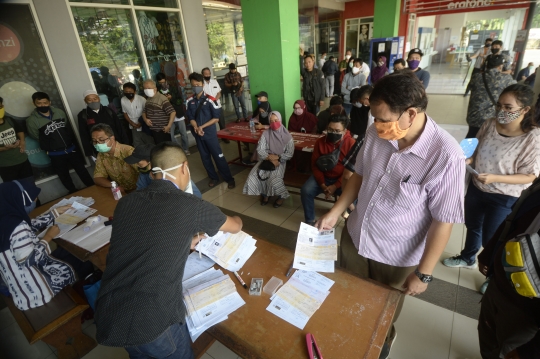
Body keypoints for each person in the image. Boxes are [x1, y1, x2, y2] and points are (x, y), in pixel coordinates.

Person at [316, 72, 465, 359]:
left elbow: (443, 221)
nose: (376, 125)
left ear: (411, 113)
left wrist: (424, 274)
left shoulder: (446, 156)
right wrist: (335, 212)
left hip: (396, 255)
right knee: (349, 293)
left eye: (383, 119)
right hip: (356, 236)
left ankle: (380, 344)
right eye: (374, 117)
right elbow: (358, 176)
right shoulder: (376, 133)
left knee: (382, 312)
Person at [94, 142, 243, 358]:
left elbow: (149, 233)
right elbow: (235, 226)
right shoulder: (190, 204)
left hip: (110, 312)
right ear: (185, 168)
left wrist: (186, 241)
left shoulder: (126, 202)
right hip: (152, 321)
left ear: (152, 171)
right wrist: (238, 217)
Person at [443, 84, 540, 292]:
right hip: (478, 188)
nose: (501, 112)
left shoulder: (532, 137)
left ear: (525, 110)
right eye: (499, 106)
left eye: (508, 107)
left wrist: (495, 177)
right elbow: (475, 149)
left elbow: (530, 176)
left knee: (492, 237)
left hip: (504, 197)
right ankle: (468, 257)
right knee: (472, 225)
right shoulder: (489, 124)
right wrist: (468, 160)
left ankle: (492, 274)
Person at [476, 177, 540, 359]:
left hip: (528, 310)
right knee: (487, 336)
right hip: (502, 282)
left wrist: (530, 352)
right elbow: (512, 220)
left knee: (508, 350)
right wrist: (489, 254)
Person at [0, 180, 81, 311]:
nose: (36, 200)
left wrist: (54, 212)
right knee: (77, 260)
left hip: (20, 290)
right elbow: (28, 260)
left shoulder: (6, 219)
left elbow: (28, 226)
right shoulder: (17, 226)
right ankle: (82, 294)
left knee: (66, 255)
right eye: (33, 198)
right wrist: (48, 237)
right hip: (38, 291)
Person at [27, 92, 94, 193]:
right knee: (64, 175)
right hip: (55, 154)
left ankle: (93, 187)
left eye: (45, 102)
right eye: (39, 103)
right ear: (34, 103)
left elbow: (65, 126)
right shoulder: (32, 120)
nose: (42, 105)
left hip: (71, 149)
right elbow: (36, 136)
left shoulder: (59, 112)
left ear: (49, 102)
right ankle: (73, 192)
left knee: (82, 171)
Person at [301, 114, 355, 225]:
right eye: (330, 129)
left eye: (337, 130)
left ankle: (350, 223)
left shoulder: (351, 144)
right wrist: (322, 184)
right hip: (323, 177)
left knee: (353, 197)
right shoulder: (320, 142)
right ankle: (310, 221)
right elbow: (315, 165)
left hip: (342, 180)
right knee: (306, 190)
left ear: (344, 131)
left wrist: (335, 186)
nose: (333, 133)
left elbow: (350, 171)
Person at [186, 72, 235, 189]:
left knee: (218, 156)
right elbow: (191, 117)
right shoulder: (189, 101)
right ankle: (213, 177)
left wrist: (202, 127)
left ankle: (229, 178)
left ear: (202, 85)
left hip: (210, 134)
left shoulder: (211, 100)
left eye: (197, 84)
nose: (195, 87)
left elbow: (216, 119)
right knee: (205, 157)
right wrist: (196, 127)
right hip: (198, 134)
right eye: (193, 85)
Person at [243, 111, 294, 207]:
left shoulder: (287, 136)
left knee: (273, 179)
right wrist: (268, 157)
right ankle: (265, 195)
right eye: (271, 121)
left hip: (280, 161)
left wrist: (278, 157)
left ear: (280, 120)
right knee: (255, 175)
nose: (274, 123)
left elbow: (289, 153)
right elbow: (260, 149)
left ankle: (281, 196)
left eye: (276, 120)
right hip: (266, 158)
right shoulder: (266, 134)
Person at [465, 54, 516, 138]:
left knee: (471, 137)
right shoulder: (506, 79)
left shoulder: (476, 77)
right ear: (500, 66)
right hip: (492, 118)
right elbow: (516, 91)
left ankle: (463, 151)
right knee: (488, 140)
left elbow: (469, 88)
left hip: (474, 116)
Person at [124, 143, 201, 197]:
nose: (137, 165)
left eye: (139, 163)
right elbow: (139, 191)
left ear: (151, 163)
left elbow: (197, 196)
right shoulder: (144, 174)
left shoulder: (172, 175)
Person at [78, 90, 129, 157]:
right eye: (89, 100)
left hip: (116, 143)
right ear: (85, 101)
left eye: (95, 99)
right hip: (99, 147)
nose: (93, 101)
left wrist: (126, 143)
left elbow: (119, 127)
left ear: (99, 99)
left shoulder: (108, 111)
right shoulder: (83, 115)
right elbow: (84, 134)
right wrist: (89, 153)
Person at [91, 123, 139, 193]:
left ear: (112, 138)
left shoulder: (128, 151)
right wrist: (114, 185)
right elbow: (98, 178)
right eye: (95, 141)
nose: (98, 144)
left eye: (101, 140)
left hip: (138, 190)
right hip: (120, 192)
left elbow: (146, 174)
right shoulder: (101, 155)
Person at [0, 97, 33, 182]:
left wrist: (22, 141)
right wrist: (4, 148)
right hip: (5, 165)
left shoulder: (9, 120)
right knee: (14, 190)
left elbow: (20, 130)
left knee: (30, 185)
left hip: (22, 160)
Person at [156, 73, 189, 154]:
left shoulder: (173, 88)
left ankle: (186, 149)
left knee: (183, 133)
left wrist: (171, 98)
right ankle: (178, 150)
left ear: (166, 80)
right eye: (160, 83)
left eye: (163, 82)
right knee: (171, 136)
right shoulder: (157, 92)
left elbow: (180, 101)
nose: (162, 84)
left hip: (178, 115)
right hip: (167, 117)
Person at [142, 79, 176, 144]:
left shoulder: (162, 98)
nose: (146, 90)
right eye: (145, 88)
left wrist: (168, 126)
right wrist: (145, 119)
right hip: (154, 130)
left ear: (155, 89)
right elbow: (144, 112)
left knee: (166, 150)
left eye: (149, 88)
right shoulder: (148, 99)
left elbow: (172, 112)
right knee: (159, 150)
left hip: (163, 130)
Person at [121, 82, 154, 148]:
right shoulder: (123, 100)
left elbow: (148, 113)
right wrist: (131, 123)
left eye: (130, 91)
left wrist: (141, 123)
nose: (128, 93)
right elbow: (125, 113)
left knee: (150, 144)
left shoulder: (142, 99)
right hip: (133, 127)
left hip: (144, 126)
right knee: (138, 146)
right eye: (126, 91)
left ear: (135, 91)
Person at [202, 67, 227, 136]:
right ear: (203, 75)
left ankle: (224, 137)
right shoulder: (201, 84)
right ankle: (213, 136)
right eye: (206, 74)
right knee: (210, 123)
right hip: (208, 107)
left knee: (222, 122)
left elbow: (219, 93)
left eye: (209, 74)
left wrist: (214, 100)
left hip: (217, 105)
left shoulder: (214, 82)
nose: (208, 75)